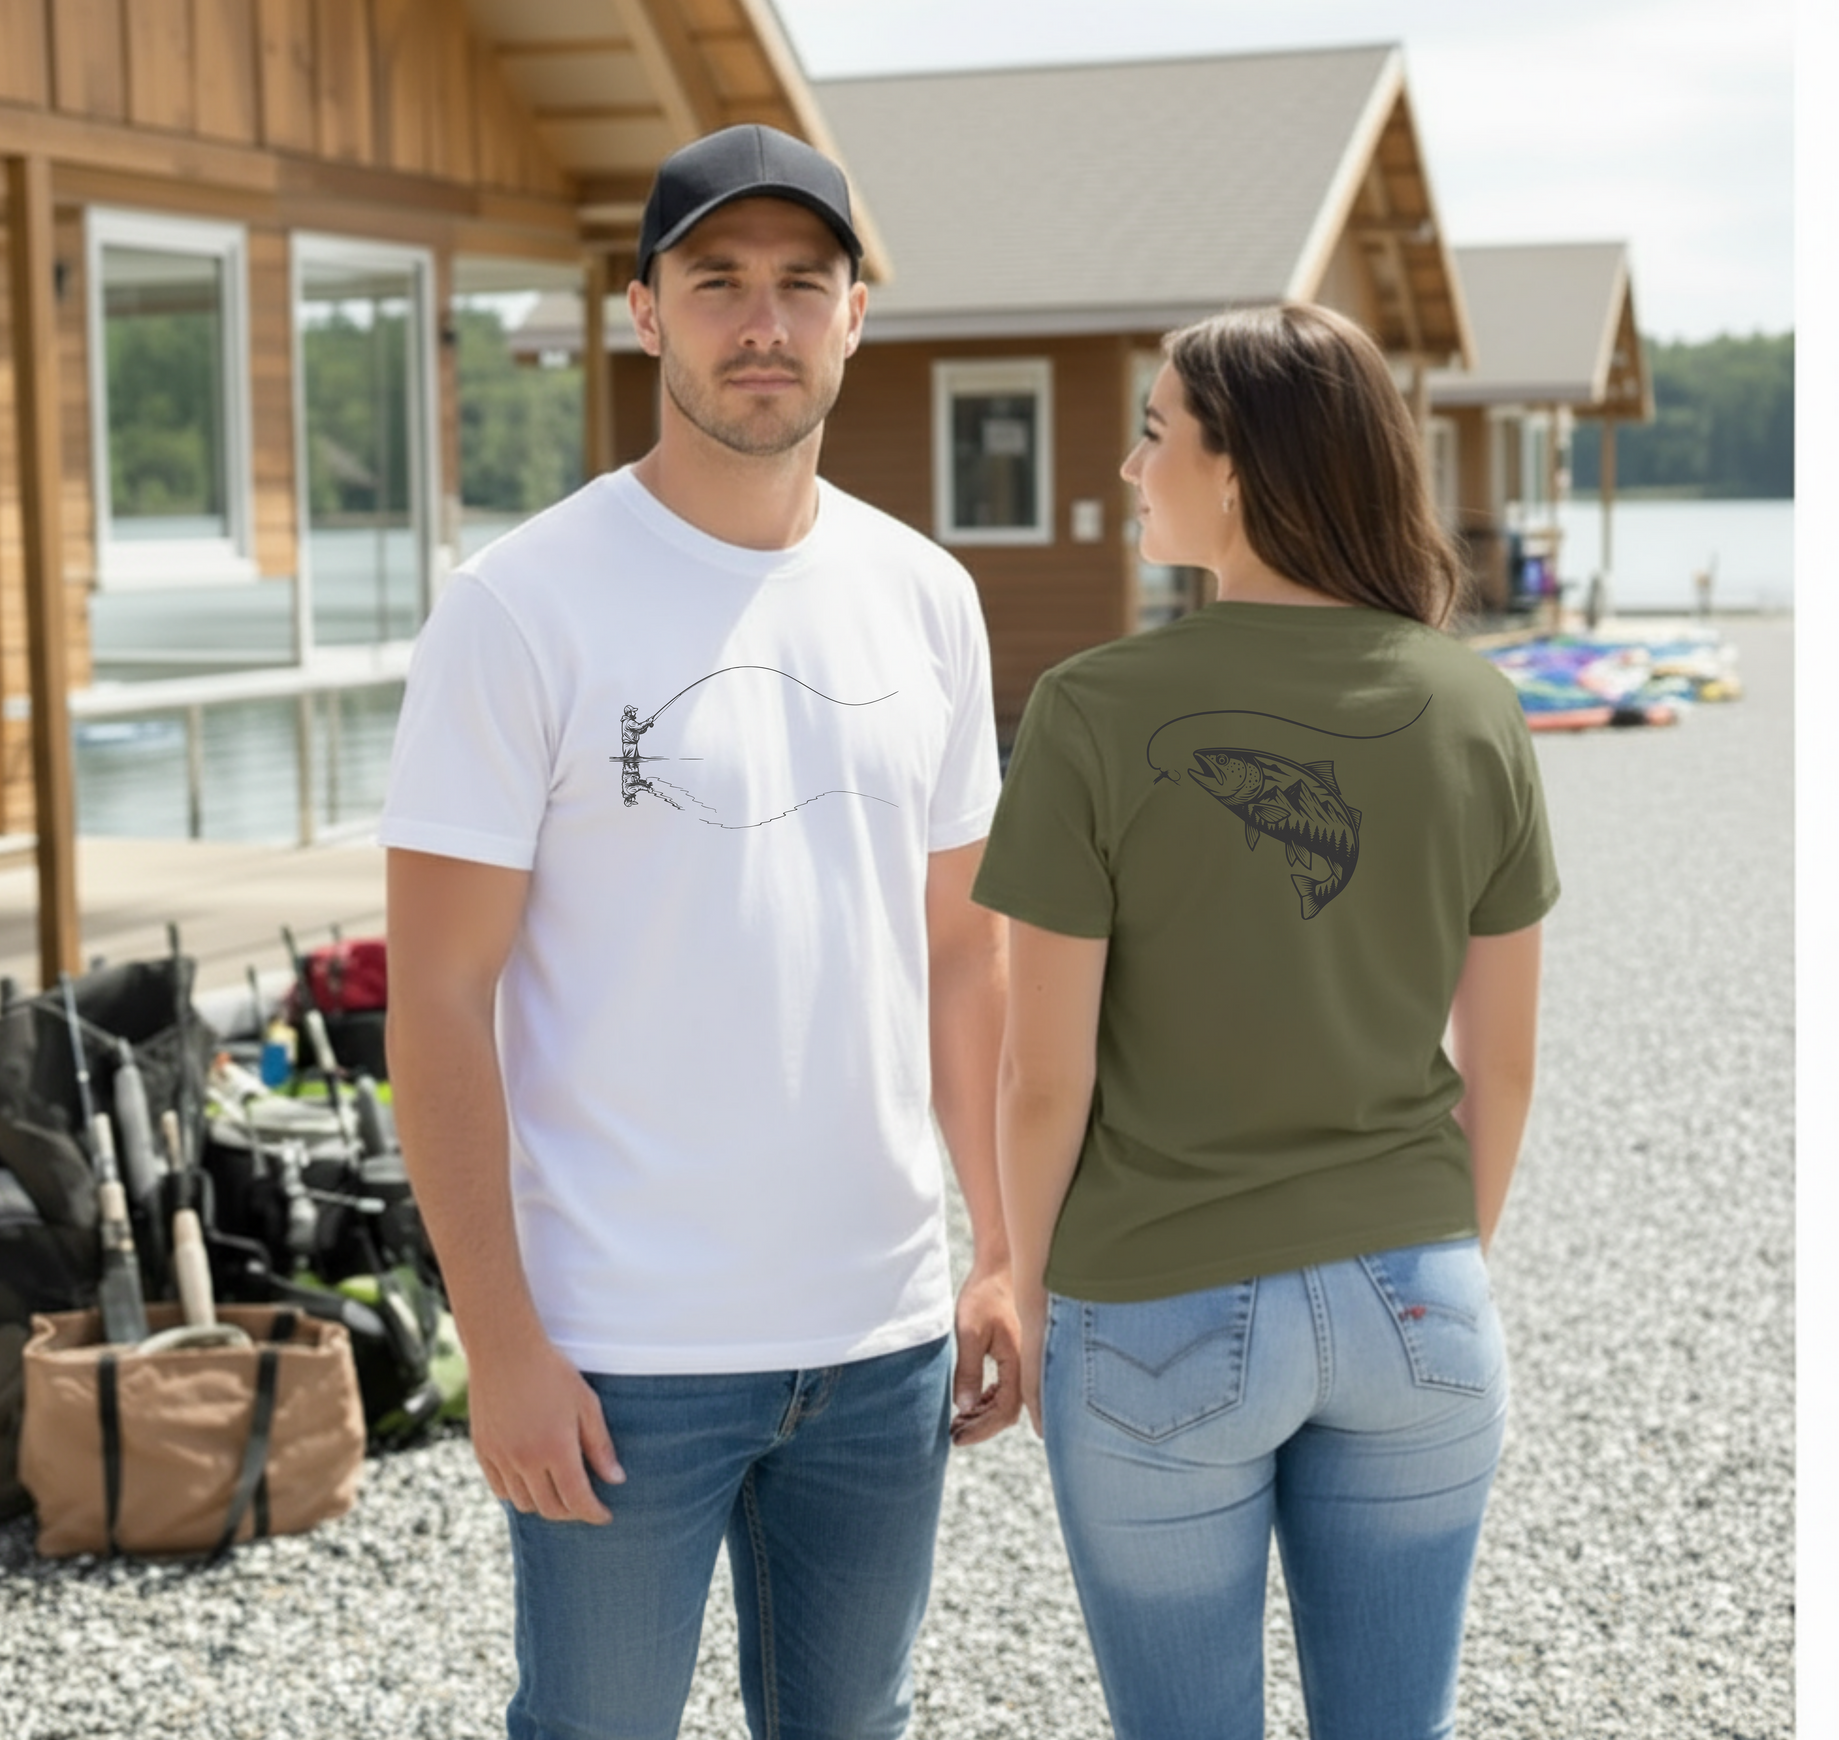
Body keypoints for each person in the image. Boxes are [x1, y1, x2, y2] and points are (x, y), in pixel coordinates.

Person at [379, 124, 1019, 1739]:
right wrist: (500, 1342)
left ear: (855, 317)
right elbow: (438, 1000)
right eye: (716, 281)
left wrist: (1001, 1249)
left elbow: (962, 956)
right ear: (643, 311)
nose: (763, 322)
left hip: (879, 1341)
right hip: (616, 1352)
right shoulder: (521, 606)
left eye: (804, 285)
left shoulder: (926, 596)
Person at [972, 302, 1558, 1740]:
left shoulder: (1089, 710)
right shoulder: (1474, 707)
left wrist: (1017, 1281)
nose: (1125, 466)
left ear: (1237, 472)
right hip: (1417, 1302)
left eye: (1154, 431)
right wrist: (1428, 1268)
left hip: (1158, 1304)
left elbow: (1042, 1077)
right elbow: (1506, 1064)